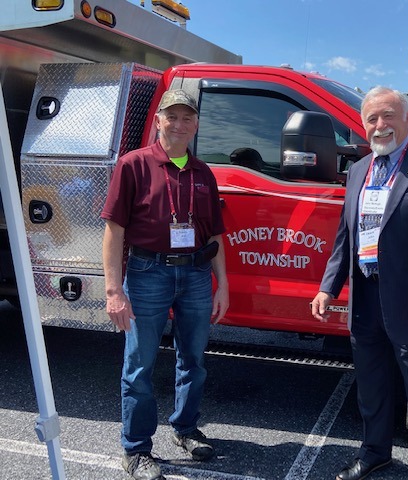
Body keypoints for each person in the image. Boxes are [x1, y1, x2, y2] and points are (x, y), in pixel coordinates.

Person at [311, 86, 408, 480]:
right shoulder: (360, 171)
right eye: (371, 119)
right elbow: (346, 235)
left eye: (387, 116)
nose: (380, 126)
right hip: (365, 300)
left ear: (407, 119)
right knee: (372, 389)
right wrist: (328, 287)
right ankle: (374, 452)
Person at [101, 89, 229, 480]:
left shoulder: (203, 173)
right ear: (158, 120)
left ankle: (186, 428)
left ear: (195, 125)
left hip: (194, 274)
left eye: (186, 118)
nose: (179, 124)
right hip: (147, 272)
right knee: (139, 363)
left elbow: (216, 236)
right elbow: (113, 231)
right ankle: (136, 450)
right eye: (171, 117)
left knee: (193, 359)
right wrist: (113, 291)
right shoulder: (134, 165)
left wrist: (221, 284)